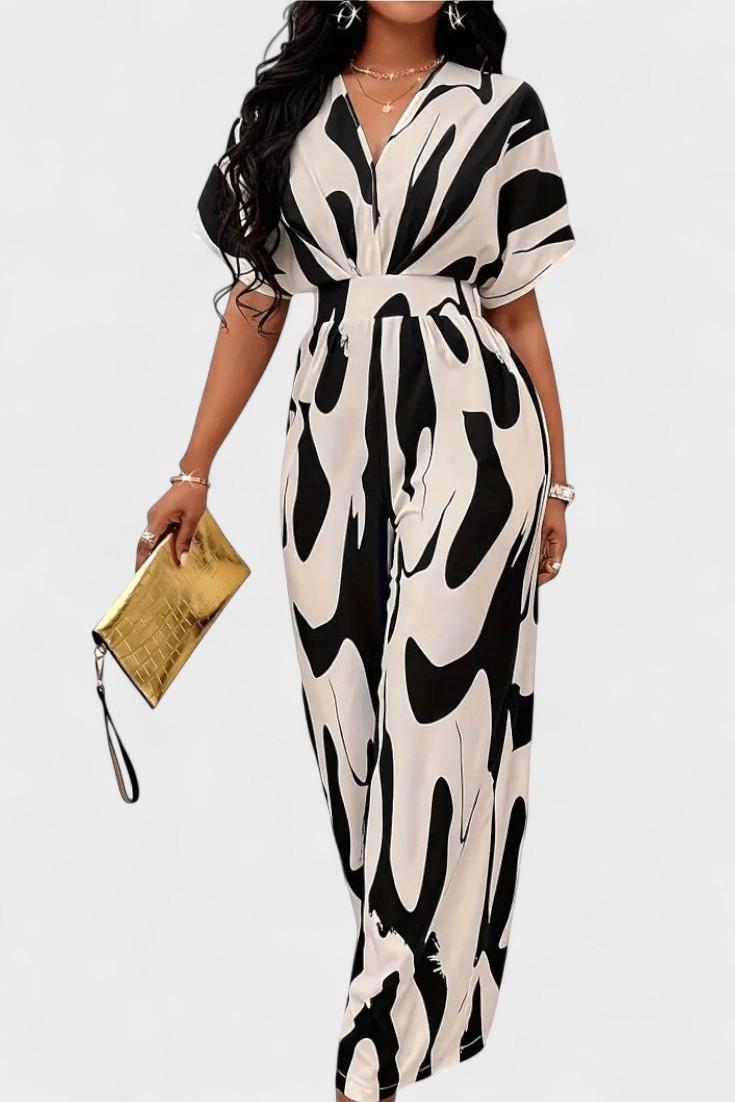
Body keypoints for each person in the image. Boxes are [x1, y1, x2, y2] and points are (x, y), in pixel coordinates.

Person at [136, 3, 576, 1099]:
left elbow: (519, 314)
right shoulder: (294, 115)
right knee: (353, 737)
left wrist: (558, 485)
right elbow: (258, 305)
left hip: (477, 443)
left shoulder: (501, 109)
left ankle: (369, 1054)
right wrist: (193, 470)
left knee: (439, 718)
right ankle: (427, 997)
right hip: (326, 450)